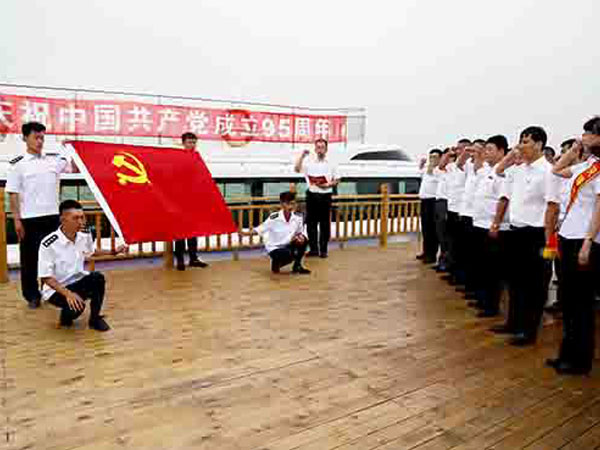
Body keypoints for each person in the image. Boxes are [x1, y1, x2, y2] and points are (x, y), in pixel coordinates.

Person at [545, 118, 600, 375]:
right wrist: (574, 149)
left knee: (581, 303)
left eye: (589, 133)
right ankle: (567, 353)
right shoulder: (586, 166)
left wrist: (588, 242)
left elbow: (599, 208)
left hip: (584, 239)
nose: (584, 136)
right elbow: (557, 170)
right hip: (568, 236)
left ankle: (580, 360)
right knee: (568, 300)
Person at [493, 126, 554, 346]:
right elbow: (498, 170)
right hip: (516, 231)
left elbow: (552, 207)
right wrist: (512, 154)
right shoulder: (519, 169)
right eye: (520, 140)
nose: (521, 146)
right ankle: (513, 323)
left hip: (537, 234)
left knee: (534, 285)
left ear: (539, 144)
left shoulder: (548, 171)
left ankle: (529, 331)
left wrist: (549, 242)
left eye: (526, 142)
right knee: (515, 281)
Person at [6, 121, 72, 309]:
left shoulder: (52, 161)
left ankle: (53, 292)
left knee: (54, 258)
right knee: (30, 260)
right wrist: (17, 220)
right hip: (29, 219)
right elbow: (13, 193)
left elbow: (67, 159)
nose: (40, 141)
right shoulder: (18, 164)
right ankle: (32, 296)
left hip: (52, 218)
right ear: (25, 138)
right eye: (36, 137)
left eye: (42, 137)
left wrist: (67, 145)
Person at [38, 200, 128, 331]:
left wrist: (113, 252)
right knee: (77, 309)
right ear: (63, 219)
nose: (81, 222)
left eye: (82, 217)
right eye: (75, 218)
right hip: (56, 290)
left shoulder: (84, 235)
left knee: (97, 278)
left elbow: (91, 251)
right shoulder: (48, 244)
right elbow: (46, 277)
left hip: (77, 281)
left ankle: (95, 319)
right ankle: (66, 316)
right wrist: (68, 294)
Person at [471, 135, 510, 317]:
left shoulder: (504, 173)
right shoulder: (487, 170)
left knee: (493, 268)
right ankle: (482, 298)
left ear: (502, 151)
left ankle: (491, 305)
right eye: (485, 149)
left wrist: (496, 223)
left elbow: (504, 200)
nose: (486, 153)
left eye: (490, 149)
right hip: (479, 223)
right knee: (481, 265)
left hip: (493, 226)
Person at [240, 191, 311, 274]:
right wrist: (245, 233)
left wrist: (301, 237)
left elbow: (300, 232)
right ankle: (276, 263)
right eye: (288, 204)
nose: (291, 206)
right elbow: (260, 229)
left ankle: (297, 266)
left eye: (293, 204)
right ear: (282, 204)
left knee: (304, 241)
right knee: (289, 255)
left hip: (288, 244)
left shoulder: (298, 217)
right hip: (275, 247)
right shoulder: (274, 217)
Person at [294, 138, 340, 258]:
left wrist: (327, 185)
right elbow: (297, 169)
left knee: (325, 224)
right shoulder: (309, 162)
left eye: (322, 147)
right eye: (318, 147)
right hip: (312, 195)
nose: (320, 150)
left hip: (325, 196)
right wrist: (302, 156)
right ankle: (313, 249)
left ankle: (323, 250)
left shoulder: (332, 163)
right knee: (311, 224)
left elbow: (337, 180)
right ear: (315, 149)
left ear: (326, 149)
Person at [174, 132, 208, 271]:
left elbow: (202, 178)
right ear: (183, 143)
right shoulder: (177, 158)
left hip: (194, 201)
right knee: (180, 233)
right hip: (179, 201)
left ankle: (193, 258)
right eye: (189, 142)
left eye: (194, 142)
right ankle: (180, 260)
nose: (192, 145)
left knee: (193, 232)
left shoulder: (197, 158)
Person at [416, 149, 442, 264]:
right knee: (425, 228)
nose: (432, 159)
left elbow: (433, 174)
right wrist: (421, 165)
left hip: (433, 201)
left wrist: (431, 167)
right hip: (424, 201)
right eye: (430, 157)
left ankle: (431, 255)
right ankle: (426, 251)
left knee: (432, 229)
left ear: (440, 158)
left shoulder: (439, 170)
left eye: (435, 157)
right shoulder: (427, 170)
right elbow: (420, 173)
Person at [432, 148, 451, 272]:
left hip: (447, 203)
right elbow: (440, 166)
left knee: (445, 235)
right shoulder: (441, 171)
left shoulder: (455, 171)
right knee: (439, 233)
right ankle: (441, 260)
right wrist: (447, 154)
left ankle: (446, 262)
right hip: (439, 202)